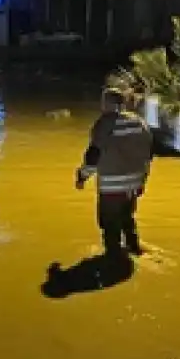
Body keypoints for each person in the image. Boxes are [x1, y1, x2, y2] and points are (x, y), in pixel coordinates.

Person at [75, 87, 153, 256]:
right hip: (133, 185)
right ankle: (134, 248)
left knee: (109, 225)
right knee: (127, 218)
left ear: (107, 103)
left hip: (112, 186)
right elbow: (148, 155)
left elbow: (93, 155)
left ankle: (113, 258)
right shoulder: (140, 122)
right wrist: (142, 181)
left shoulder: (104, 124)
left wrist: (82, 176)